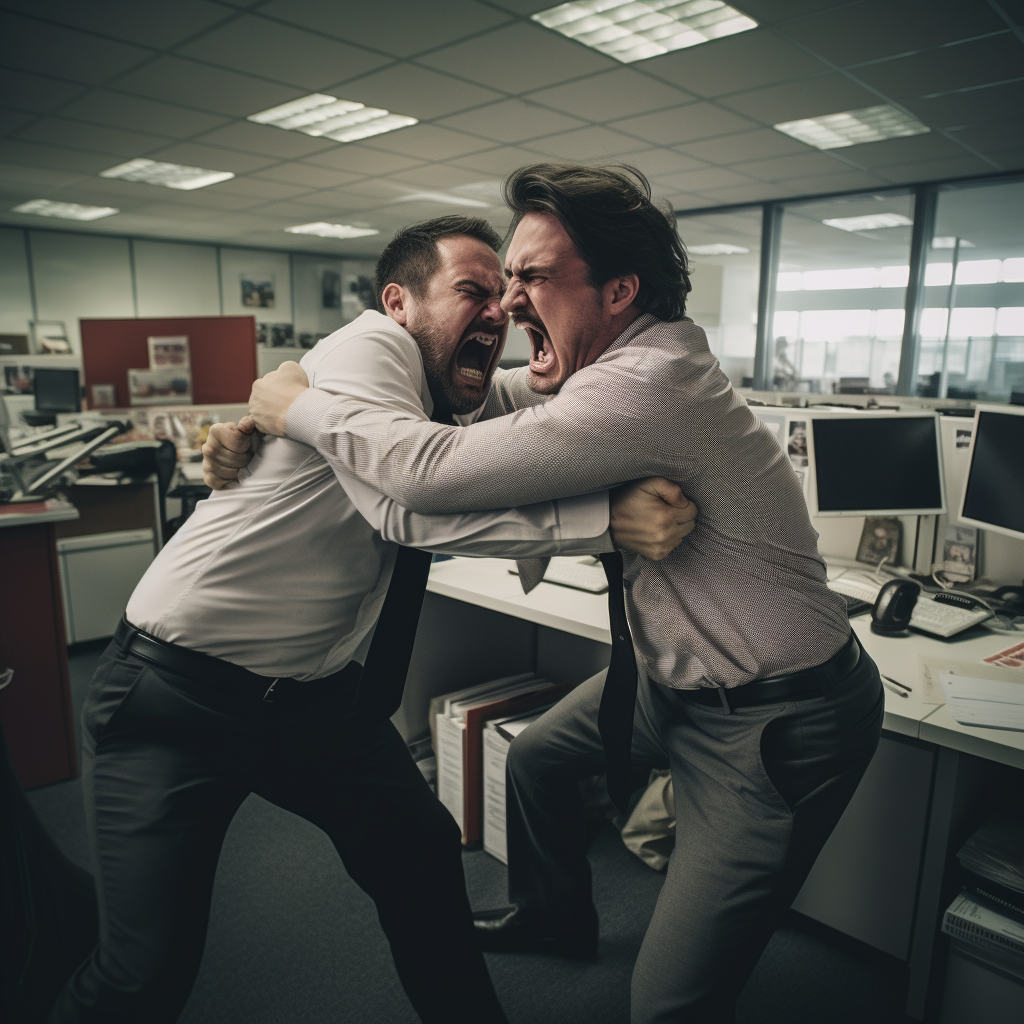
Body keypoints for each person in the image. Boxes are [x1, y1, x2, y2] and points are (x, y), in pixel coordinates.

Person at [236, 164, 885, 1024]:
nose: (505, 303)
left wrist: (296, 404)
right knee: (540, 760)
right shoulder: (610, 368)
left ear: (619, 290)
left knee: (666, 1004)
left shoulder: (644, 386)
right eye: (504, 278)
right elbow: (479, 403)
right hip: (672, 686)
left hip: (774, 719)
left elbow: (427, 471)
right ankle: (557, 916)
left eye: (530, 277)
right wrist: (254, 419)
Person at [51, 214, 696, 1024]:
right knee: (143, 974)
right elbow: (408, 504)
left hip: (311, 702)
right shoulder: (369, 350)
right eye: (474, 291)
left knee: (421, 861)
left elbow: (523, 405)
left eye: (503, 294)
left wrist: (593, 352)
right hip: (173, 699)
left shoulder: (430, 394)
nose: (497, 310)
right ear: (397, 302)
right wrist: (607, 519)